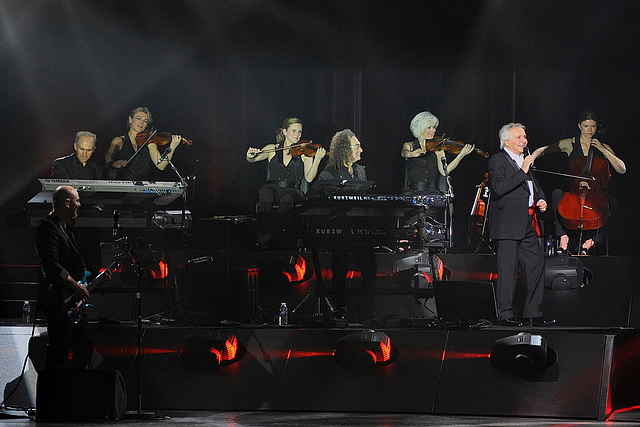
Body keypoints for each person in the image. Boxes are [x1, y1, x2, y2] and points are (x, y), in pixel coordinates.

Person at [36, 185, 111, 369]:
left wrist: (96, 280)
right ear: (67, 202)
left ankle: (75, 388)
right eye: (77, 201)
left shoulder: (67, 229)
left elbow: (75, 267)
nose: (79, 204)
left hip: (72, 303)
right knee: (59, 350)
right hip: (58, 301)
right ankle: (54, 392)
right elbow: (51, 265)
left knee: (84, 346)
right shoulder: (48, 227)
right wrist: (76, 287)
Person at [488, 123, 555, 327]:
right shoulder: (497, 160)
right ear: (506, 141)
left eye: (524, 137)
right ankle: (505, 314)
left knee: (536, 263)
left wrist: (541, 199)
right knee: (507, 269)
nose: (523, 140)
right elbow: (499, 188)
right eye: (518, 137)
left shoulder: (525, 161)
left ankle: (532, 312)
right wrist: (523, 170)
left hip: (526, 221)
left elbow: (534, 187)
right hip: (508, 223)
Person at [531, 111, 626, 254]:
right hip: (574, 193)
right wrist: (532, 157)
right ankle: (563, 238)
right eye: (586, 126)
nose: (590, 130)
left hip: (595, 195)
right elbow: (545, 150)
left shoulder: (603, 147)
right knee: (557, 194)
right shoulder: (570, 144)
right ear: (579, 126)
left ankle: (590, 242)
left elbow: (622, 169)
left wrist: (603, 150)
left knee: (612, 204)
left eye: (593, 126)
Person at [317, 129, 376, 322]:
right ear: (345, 149)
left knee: (370, 267)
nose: (361, 149)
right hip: (339, 228)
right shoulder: (329, 173)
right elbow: (321, 201)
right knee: (339, 269)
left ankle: (365, 313)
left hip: (359, 228)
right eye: (357, 146)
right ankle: (339, 310)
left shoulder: (360, 170)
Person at [246, 117, 326, 212]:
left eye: (300, 131)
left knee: (287, 198)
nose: (297, 135)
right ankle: (264, 224)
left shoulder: (305, 153)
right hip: (273, 188)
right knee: (266, 193)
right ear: (284, 132)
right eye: (294, 131)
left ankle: (281, 226)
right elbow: (252, 159)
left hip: (292, 191)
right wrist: (250, 156)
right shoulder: (272, 149)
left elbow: (309, 178)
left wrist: (317, 160)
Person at [401, 111, 474, 195]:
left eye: (434, 127)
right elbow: (404, 153)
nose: (433, 130)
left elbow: (444, 172)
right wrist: (411, 154)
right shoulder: (410, 145)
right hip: (412, 192)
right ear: (420, 128)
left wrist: (461, 155)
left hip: (431, 192)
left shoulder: (437, 149)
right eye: (429, 127)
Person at [105, 107, 184, 181]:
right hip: (123, 183)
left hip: (143, 185)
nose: (141, 123)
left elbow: (161, 165)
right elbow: (109, 155)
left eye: (145, 121)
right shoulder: (119, 140)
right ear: (130, 119)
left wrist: (172, 148)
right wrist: (112, 163)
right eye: (138, 118)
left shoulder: (149, 142)